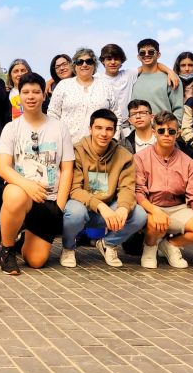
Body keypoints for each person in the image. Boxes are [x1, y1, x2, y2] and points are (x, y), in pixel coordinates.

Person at [0, 72, 75, 275]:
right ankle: (7, 249)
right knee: (15, 195)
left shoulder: (59, 128)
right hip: (22, 194)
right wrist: (27, 185)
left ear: (44, 95)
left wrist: (59, 206)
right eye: (25, 92)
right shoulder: (11, 128)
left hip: (49, 199)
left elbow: (67, 168)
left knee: (36, 261)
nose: (30, 96)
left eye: (36, 92)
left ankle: (23, 237)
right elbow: (3, 167)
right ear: (19, 96)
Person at [61, 109, 147, 268]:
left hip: (109, 210)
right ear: (90, 129)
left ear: (114, 132)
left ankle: (108, 244)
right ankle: (68, 247)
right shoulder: (77, 151)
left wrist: (123, 208)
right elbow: (75, 190)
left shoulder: (124, 156)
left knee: (139, 215)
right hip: (83, 206)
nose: (103, 133)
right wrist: (100, 206)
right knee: (74, 213)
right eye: (98, 128)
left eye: (109, 129)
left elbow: (127, 188)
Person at [135, 111, 193, 269]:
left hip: (178, 208)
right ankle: (150, 247)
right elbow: (138, 192)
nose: (166, 134)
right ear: (154, 132)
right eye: (161, 131)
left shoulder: (188, 162)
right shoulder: (140, 158)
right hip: (151, 206)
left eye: (171, 131)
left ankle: (171, 245)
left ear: (178, 133)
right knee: (153, 222)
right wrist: (154, 210)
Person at [47, 47, 121, 143]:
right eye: (80, 62)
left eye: (89, 61)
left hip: (101, 146)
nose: (84, 65)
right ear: (74, 66)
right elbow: (53, 114)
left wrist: (114, 139)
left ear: (94, 65)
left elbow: (116, 114)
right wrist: (56, 139)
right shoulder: (63, 85)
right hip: (68, 144)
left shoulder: (106, 86)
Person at [131, 38, 184, 122]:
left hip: (163, 128)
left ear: (158, 55)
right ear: (138, 57)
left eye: (151, 52)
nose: (146, 54)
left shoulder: (171, 78)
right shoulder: (132, 78)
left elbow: (178, 109)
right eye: (142, 52)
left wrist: (173, 127)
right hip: (137, 129)